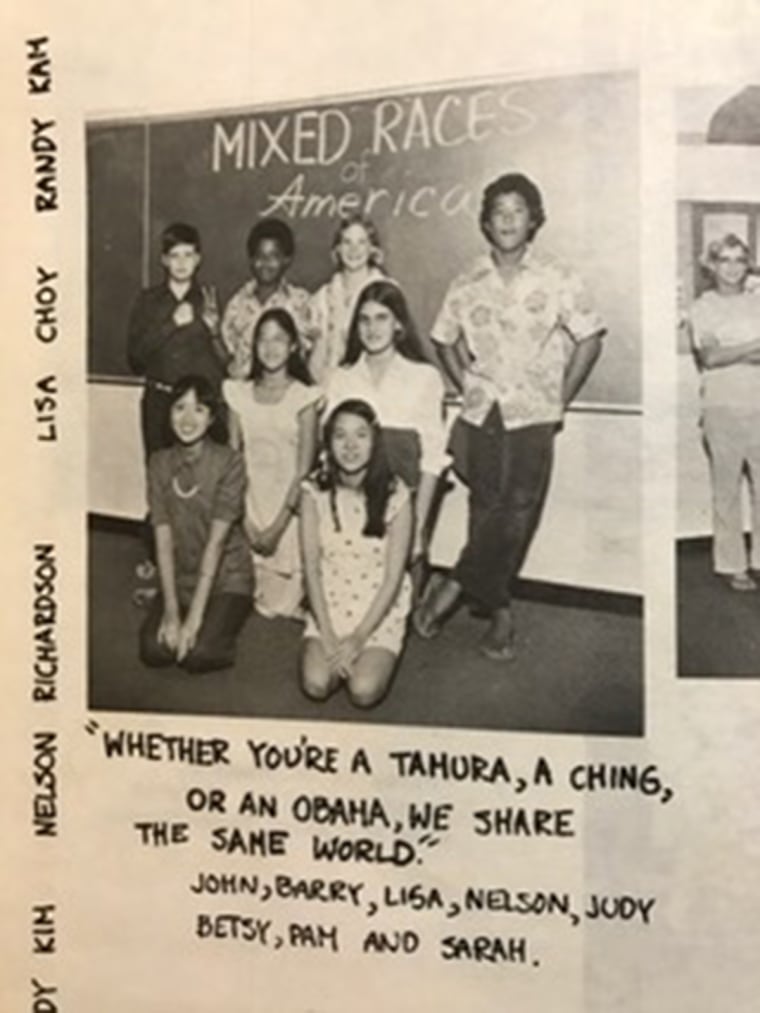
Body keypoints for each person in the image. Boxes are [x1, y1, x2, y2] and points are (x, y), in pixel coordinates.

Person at [416, 171, 605, 660]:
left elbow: (589, 337)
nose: (507, 219)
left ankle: (456, 585)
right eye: (498, 211)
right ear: (485, 221)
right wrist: (466, 383)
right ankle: (500, 611)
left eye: (517, 210)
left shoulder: (558, 276)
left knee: (518, 510)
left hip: (533, 412)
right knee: (486, 507)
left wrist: (559, 396)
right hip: (482, 414)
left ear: (534, 219)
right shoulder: (467, 279)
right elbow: (442, 338)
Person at [326, 279, 448, 569]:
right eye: (364, 320)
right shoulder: (341, 378)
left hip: (402, 509)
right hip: (351, 507)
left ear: (398, 324)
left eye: (382, 318)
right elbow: (329, 453)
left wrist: (417, 528)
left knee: (399, 605)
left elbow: (432, 460)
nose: (372, 328)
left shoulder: (425, 378)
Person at [300, 400, 413, 708]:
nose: (350, 446)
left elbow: (393, 578)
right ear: (328, 443)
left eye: (361, 435)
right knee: (315, 683)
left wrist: (359, 638)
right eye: (340, 436)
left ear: (374, 441)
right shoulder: (313, 491)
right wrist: (327, 633)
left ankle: (377, 653)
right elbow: (311, 569)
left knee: (363, 691)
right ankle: (334, 653)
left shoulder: (396, 493)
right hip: (330, 603)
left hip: (377, 609)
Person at [139, 376, 252, 673]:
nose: (188, 419)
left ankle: (225, 626)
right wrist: (173, 612)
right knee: (154, 650)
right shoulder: (158, 463)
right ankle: (177, 607)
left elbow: (216, 544)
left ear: (212, 417)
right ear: (169, 413)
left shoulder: (230, 462)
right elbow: (162, 541)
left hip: (227, 577)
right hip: (181, 575)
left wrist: (195, 618)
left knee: (198, 655)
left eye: (199, 409)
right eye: (180, 408)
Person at [223, 308, 321, 618]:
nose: (270, 347)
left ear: (293, 346)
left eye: (279, 339)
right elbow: (232, 463)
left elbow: (304, 473)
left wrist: (277, 528)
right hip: (247, 507)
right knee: (234, 591)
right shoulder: (238, 393)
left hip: (287, 513)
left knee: (279, 605)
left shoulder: (304, 397)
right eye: (263, 339)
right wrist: (246, 521)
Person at [689, 233, 760, 591]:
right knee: (726, 489)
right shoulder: (703, 307)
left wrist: (733, 350)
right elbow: (710, 358)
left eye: (739, 260)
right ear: (712, 266)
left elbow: (721, 354)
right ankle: (734, 565)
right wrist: (754, 346)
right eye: (724, 260)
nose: (732, 268)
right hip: (721, 408)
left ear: (748, 264)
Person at [127, 222, 229, 459]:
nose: (182, 263)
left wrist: (214, 330)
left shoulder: (210, 299)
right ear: (164, 260)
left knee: (200, 484)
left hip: (198, 407)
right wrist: (170, 324)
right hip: (159, 404)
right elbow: (135, 359)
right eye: (174, 256)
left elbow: (224, 364)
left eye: (188, 255)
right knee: (160, 480)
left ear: (198, 259)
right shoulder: (147, 301)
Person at [221, 218, 314, 379]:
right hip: (243, 394)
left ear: (287, 260)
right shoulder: (237, 304)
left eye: (273, 256)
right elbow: (229, 357)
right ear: (250, 260)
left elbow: (310, 354)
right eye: (259, 256)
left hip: (287, 394)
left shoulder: (300, 302)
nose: (265, 263)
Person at [308, 214, 387, 383]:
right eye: (347, 242)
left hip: (373, 386)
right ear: (337, 249)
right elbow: (317, 355)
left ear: (372, 249)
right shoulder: (322, 298)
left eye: (361, 242)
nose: (354, 250)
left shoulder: (386, 292)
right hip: (330, 389)